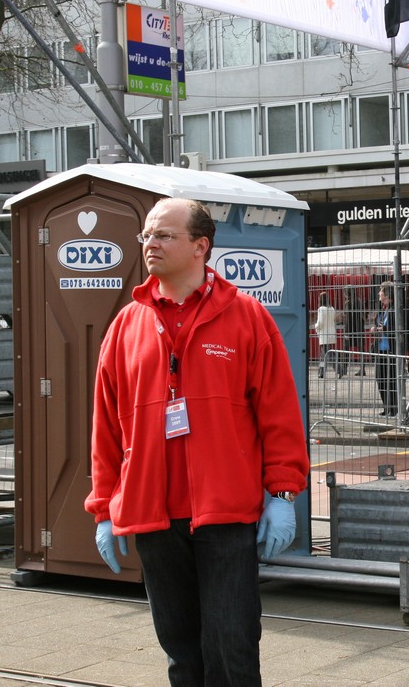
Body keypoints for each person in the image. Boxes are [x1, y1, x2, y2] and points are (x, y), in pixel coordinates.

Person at [85, 197, 310, 687]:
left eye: (164, 235)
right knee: (181, 651)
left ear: (200, 246)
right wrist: (104, 507)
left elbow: (278, 413)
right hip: (154, 514)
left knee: (232, 647)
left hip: (226, 514)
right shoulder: (126, 326)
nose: (150, 244)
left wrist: (282, 493)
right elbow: (106, 427)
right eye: (146, 235)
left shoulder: (246, 317)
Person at [371, 281, 398, 417]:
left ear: (387, 294)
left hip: (390, 350)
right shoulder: (383, 309)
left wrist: (384, 329)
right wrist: (375, 329)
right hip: (380, 350)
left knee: (391, 380)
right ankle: (387, 407)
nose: (379, 293)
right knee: (380, 379)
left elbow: (397, 328)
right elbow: (380, 325)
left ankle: (394, 408)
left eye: (381, 291)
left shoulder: (395, 310)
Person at [341, 285, 366, 375]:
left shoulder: (348, 303)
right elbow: (363, 316)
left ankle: (344, 369)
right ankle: (362, 369)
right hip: (359, 329)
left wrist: (346, 333)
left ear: (347, 293)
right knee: (361, 350)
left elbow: (348, 319)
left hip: (350, 329)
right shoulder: (360, 301)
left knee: (346, 350)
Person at [314, 291, 339, 378]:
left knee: (324, 355)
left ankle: (324, 372)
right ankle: (337, 369)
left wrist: (315, 326)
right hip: (331, 334)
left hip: (324, 335)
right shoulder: (332, 308)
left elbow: (320, 323)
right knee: (329, 354)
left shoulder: (321, 309)